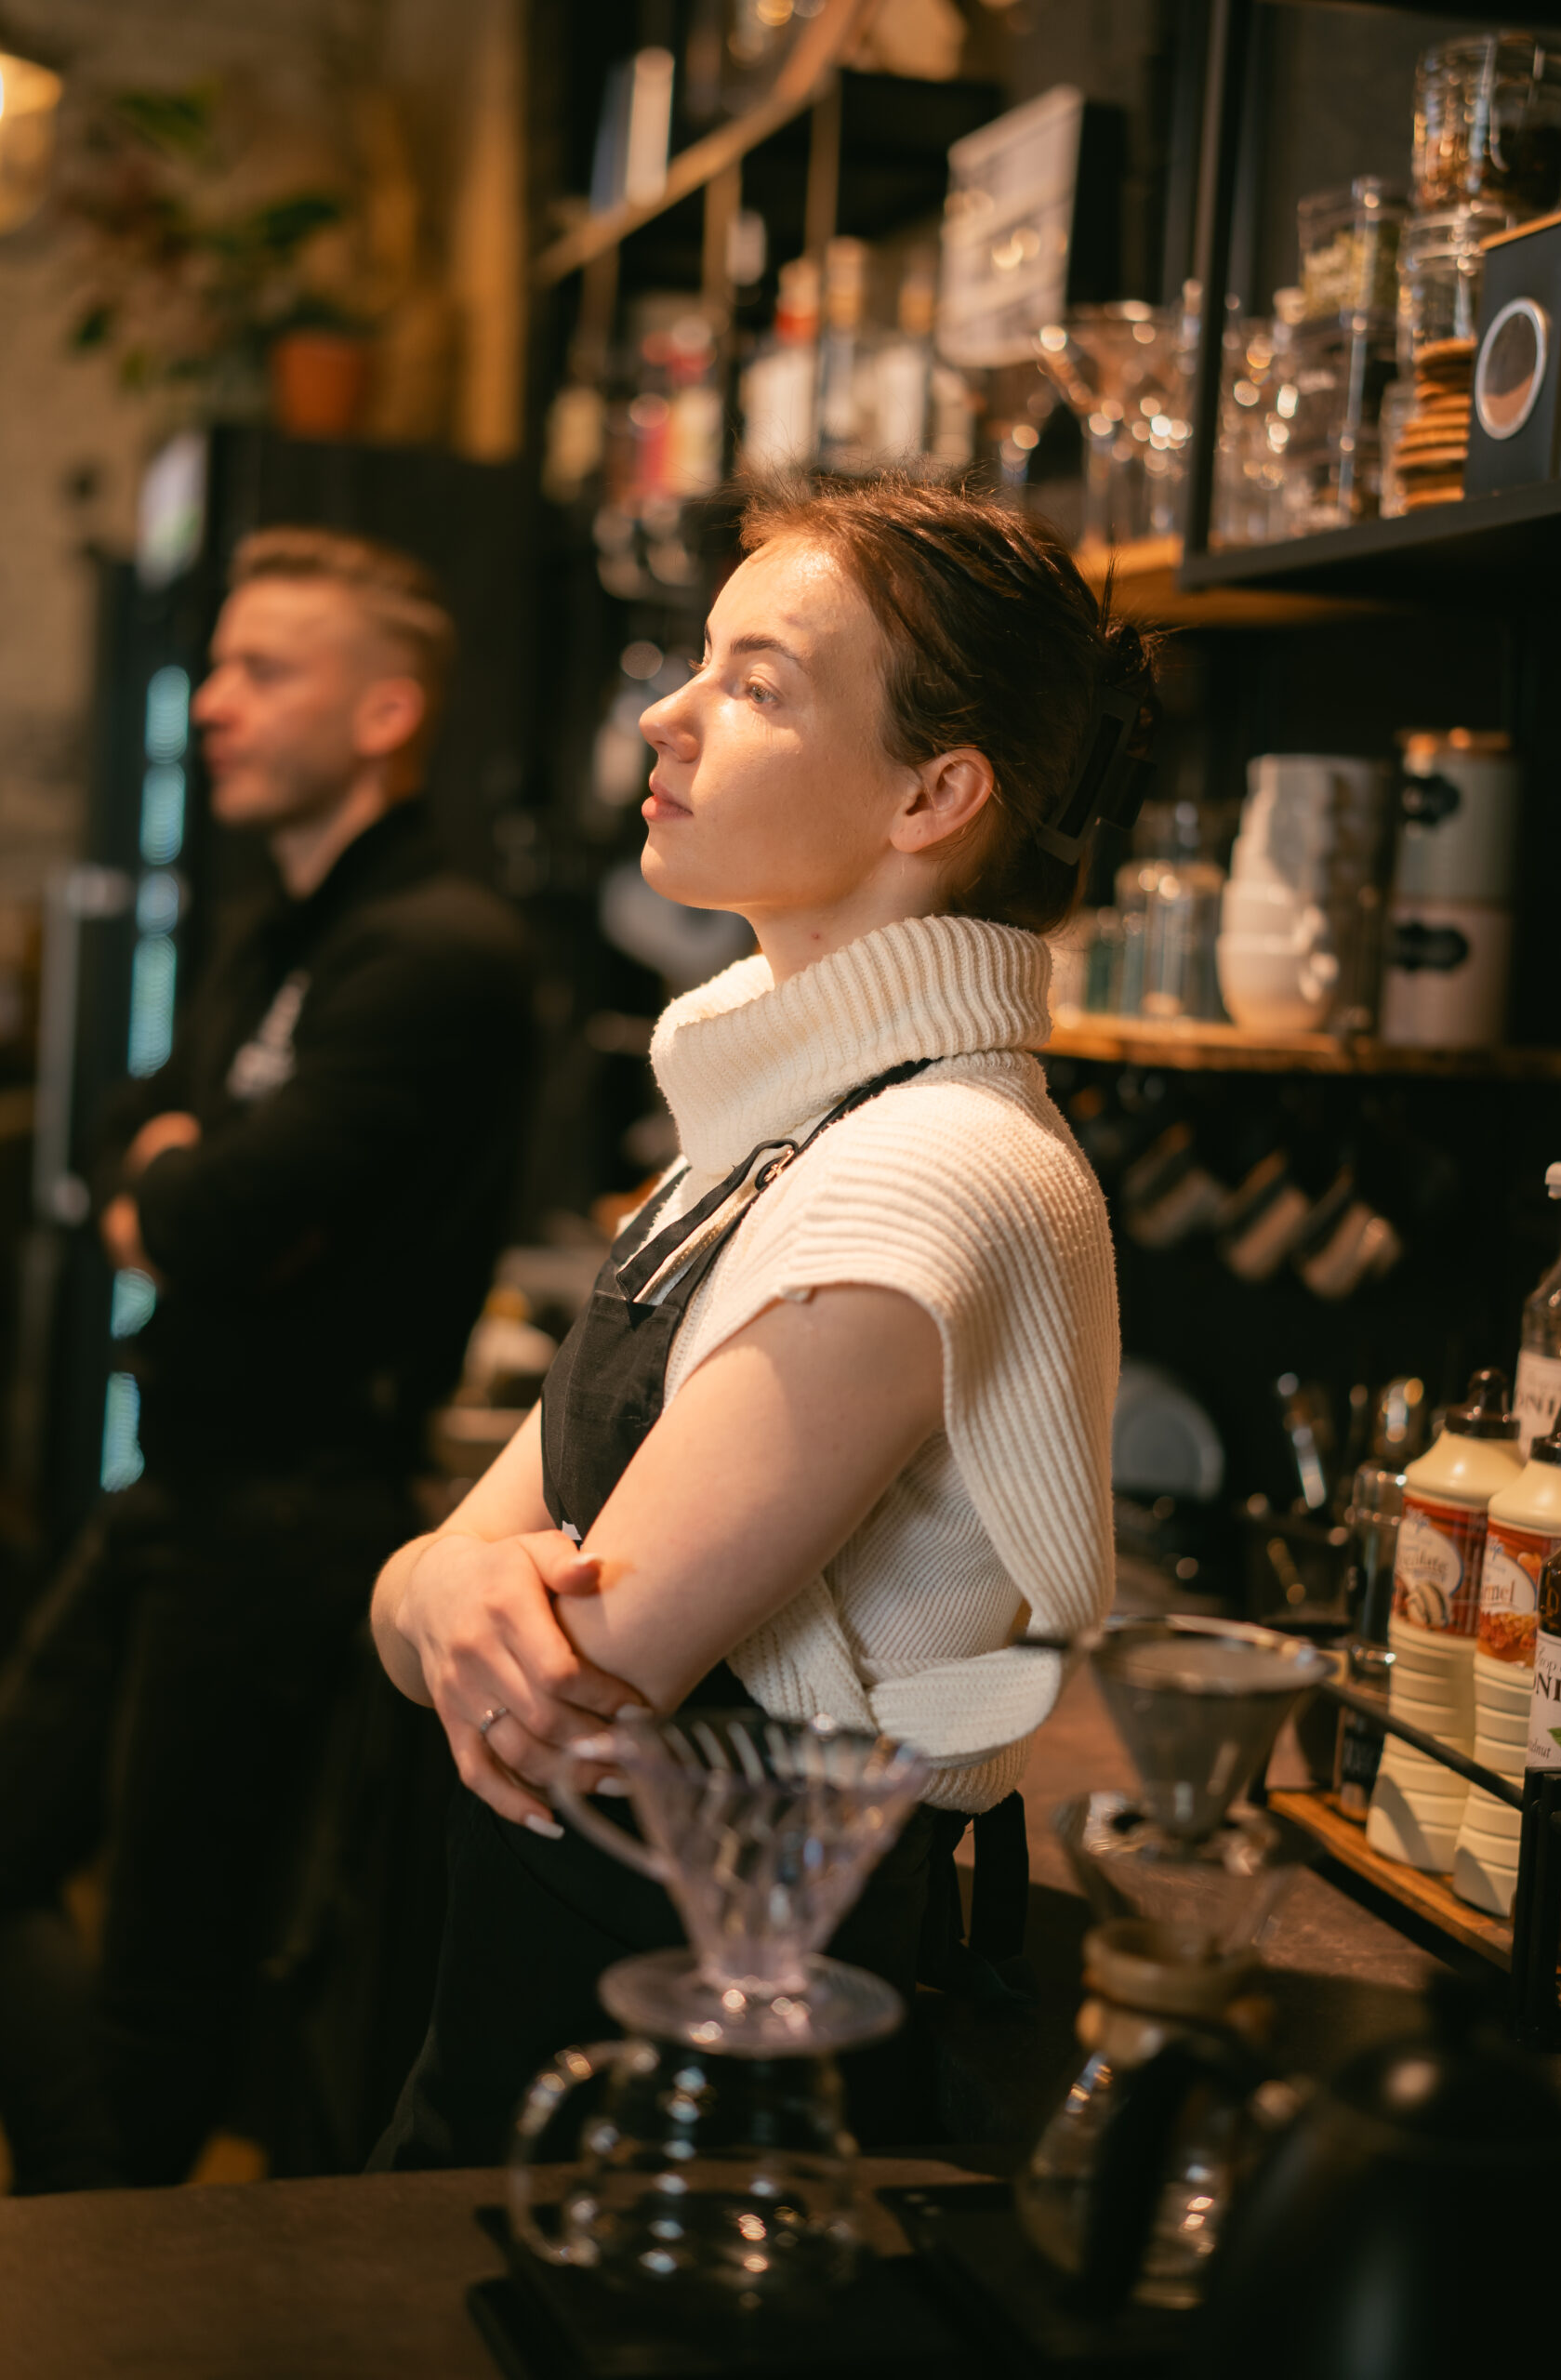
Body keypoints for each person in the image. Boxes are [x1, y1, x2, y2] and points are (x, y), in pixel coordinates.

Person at [369, 480, 1150, 2166]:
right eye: (698, 664)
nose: (669, 714)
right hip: (549, 1982)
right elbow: (422, 1600)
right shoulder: (772, 1134)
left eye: (756, 684)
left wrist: (443, 1594)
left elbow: (578, 1679)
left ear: (934, 794)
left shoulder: (932, 1169)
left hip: (713, 2063)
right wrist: (432, 1587)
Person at [0, 529, 533, 2189]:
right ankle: (83, 2221)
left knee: (167, 1986)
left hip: (293, 1518)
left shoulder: (438, 950)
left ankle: (107, 2274)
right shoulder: (271, 933)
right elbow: (132, 1135)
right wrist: (176, 1183)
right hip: (175, 1489)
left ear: (386, 713)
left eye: (263, 671)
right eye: (218, 667)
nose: (213, 705)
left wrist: (181, 1187)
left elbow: (213, 1209)